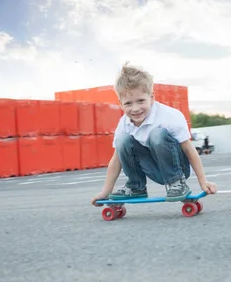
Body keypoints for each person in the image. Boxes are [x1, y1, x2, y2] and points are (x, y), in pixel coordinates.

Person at [91, 63, 217, 206]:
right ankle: (136, 186)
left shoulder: (170, 116)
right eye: (128, 104)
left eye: (141, 101)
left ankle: (176, 183)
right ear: (120, 104)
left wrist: (203, 181)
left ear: (152, 97)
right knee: (122, 140)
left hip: (178, 168)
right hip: (153, 169)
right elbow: (116, 160)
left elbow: (189, 149)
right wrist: (105, 192)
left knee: (156, 134)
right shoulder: (124, 124)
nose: (135, 109)